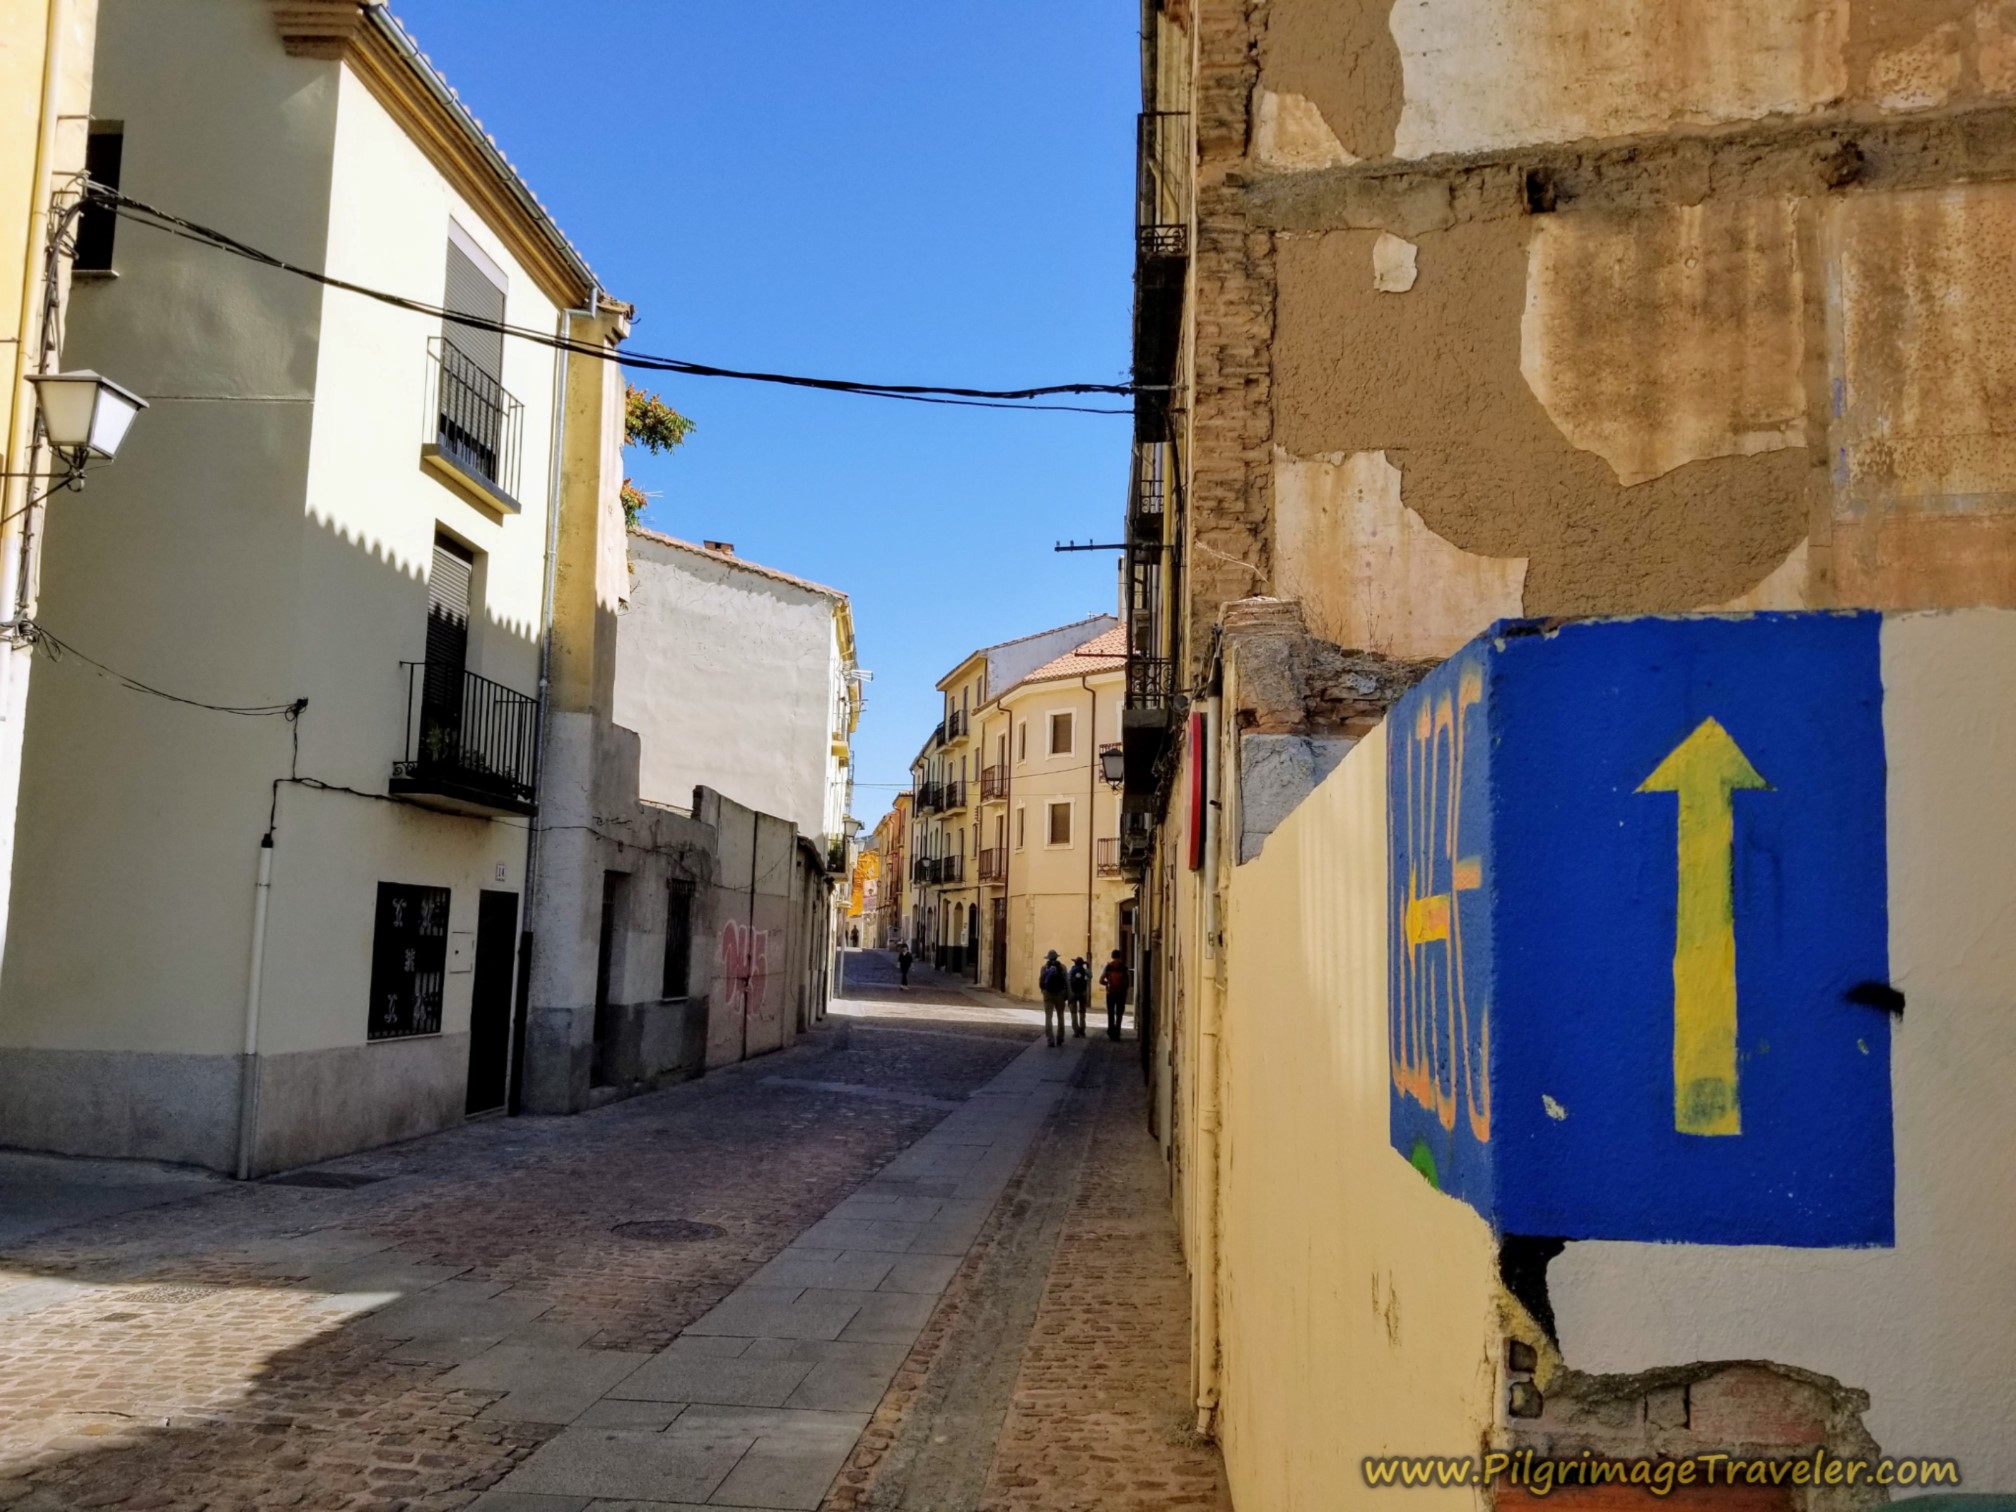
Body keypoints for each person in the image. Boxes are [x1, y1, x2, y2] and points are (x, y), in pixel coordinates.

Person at [1038, 950, 1069, 1047]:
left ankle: (1050, 1039)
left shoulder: (1044, 968)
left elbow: (1041, 981)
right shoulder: (1062, 967)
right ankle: (1060, 1037)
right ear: (1057, 957)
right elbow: (1066, 981)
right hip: (1060, 993)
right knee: (1060, 1016)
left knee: (1048, 1017)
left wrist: (1043, 990)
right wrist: (1067, 994)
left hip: (1048, 994)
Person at [1099, 950, 1129, 1041]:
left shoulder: (1108, 966)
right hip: (1121, 993)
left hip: (1110, 993)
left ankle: (1111, 1032)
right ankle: (1117, 1032)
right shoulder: (1124, 967)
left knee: (1110, 1013)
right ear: (1120, 956)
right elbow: (1128, 981)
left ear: (1112, 956)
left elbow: (1101, 980)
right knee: (1119, 1013)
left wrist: (1107, 984)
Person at [1067, 957, 1091, 1038]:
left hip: (1073, 993)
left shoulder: (1072, 970)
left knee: (1073, 1012)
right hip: (1083, 993)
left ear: (1075, 963)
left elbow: (1068, 979)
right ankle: (1082, 1030)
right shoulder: (1084, 970)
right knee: (1082, 1012)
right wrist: (1088, 967)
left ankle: (1076, 1031)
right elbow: (1090, 976)